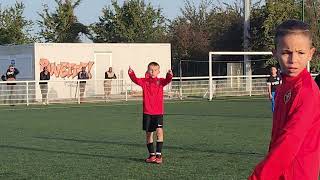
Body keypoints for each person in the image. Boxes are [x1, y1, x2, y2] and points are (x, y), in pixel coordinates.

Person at [249, 20, 320, 180]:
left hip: (298, 174)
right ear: (275, 53)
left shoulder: (306, 92)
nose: (293, 59)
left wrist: (259, 176)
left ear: (311, 53)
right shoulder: (284, 86)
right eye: (286, 52)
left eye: (301, 53)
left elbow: (290, 141)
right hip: (280, 173)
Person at [128, 62, 173, 164]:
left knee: (159, 132)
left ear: (158, 71)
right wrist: (131, 73)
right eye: (151, 70)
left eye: (155, 70)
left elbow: (168, 80)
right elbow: (135, 80)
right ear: (148, 70)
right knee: (149, 134)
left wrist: (170, 74)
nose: (153, 72)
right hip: (147, 112)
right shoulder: (145, 81)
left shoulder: (161, 82)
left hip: (158, 112)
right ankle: (151, 155)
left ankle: (159, 155)